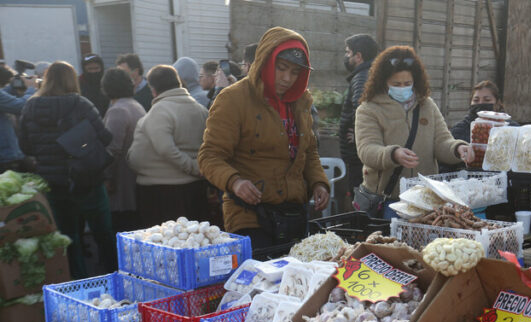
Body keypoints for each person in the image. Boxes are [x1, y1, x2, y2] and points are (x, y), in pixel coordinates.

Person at [198, 26, 330, 250]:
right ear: (266, 61)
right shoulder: (233, 99)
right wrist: (235, 182)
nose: (287, 78)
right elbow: (209, 156)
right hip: (249, 217)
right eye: (281, 68)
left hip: (294, 214)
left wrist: (319, 183)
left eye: (295, 72)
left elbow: (308, 151)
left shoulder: (302, 101)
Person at [18, 61, 115, 278]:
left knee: (68, 237)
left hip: (53, 183)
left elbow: (24, 146)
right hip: (87, 178)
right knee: (103, 234)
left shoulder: (30, 106)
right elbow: (106, 137)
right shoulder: (81, 104)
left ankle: (77, 285)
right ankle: (114, 278)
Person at [354, 46, 474, 219]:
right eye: (396, 84)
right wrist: (393, 154)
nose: (402, 88)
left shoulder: (427, 105)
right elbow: (367, 150)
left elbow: (442, 142)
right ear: (383, 82)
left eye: (407, 84)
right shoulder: (368, 109)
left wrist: (457, 149)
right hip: (390, 200)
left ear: (415, 81)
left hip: (425, 200)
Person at [127, 65, 209, 228]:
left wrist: (194, 167)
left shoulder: (160, 111)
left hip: (164, 193)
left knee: (168, 247)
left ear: (153, 89)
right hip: (194, 189)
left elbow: (166, 149)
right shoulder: (201, 110)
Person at [101, 67, 145, 233]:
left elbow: (112, 149)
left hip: (121, 180)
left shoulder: (118, 110)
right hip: (134, 175)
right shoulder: (135, 105)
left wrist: (106, 177)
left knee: (122, 228)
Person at [338, 34, 379, 211]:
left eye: (348, 53)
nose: (346, 57)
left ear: (358, 56)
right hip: (359, 154)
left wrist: (358, 133)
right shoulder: (368, 74)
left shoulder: (362, 76)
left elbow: (360, 105)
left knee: (360, 202)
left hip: (357, 156)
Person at [0, 64, 36, 171]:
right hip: (5, 156)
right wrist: (31, 89)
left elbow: (4, 97)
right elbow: (21, 106)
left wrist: (14, 84)